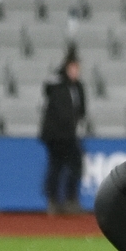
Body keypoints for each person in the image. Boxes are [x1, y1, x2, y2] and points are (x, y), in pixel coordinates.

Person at [39, 48, 86, 216]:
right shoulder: (58, 86)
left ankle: (69, 200)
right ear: (66, 68)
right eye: (72, 68)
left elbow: (81, 109)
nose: (75, 72)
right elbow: (60, 110)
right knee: (57, 166)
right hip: (56, 135)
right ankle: (54, 201)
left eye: (77, 68)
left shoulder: (78, 87)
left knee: (74, 165)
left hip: (70, 134)